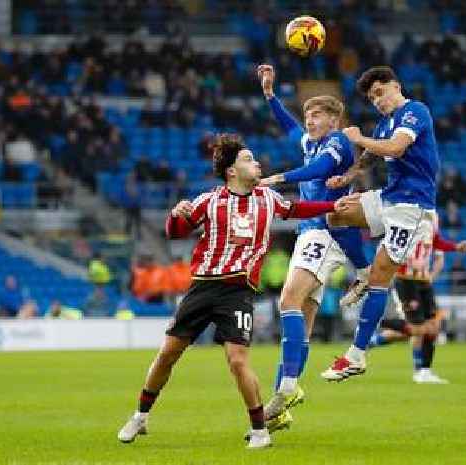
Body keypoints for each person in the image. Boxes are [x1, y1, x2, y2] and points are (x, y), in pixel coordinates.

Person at [117, 133, 341, 449]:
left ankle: (260, 431)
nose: (257, 163)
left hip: (237, 292)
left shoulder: (268, 198)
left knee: (238, 361)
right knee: (168, 354)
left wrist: (334, 204)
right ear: (232, 171)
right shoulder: (208, 201)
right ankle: (140, 416)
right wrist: (176, 215)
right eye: (249, 159)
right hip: (203, 287)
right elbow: (175, 232)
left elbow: (299, 209)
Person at [253, 64, 371, 432]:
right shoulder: (310, 140)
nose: (309, 120)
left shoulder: (337, 144)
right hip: (313, 235)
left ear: (334, 120)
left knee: (287, 300)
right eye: (308, 114)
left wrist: (280, 177)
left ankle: (286, 389)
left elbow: (319, 170)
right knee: (300, 325)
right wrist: (270, 96)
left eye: (316, 114)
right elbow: (289, 129)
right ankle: (281, 406)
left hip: (322, 232)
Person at [315, 66, 442, 382]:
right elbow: (371, 158)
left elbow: (396, 147)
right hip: (389, 198)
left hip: (412, 206)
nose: (377, 100)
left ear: (396, 86)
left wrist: (358, 137)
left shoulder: (415, 111)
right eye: (372, 97)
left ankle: (356, 356)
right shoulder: (386, 124)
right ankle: (360, 272)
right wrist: (346, 177)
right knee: (335, 213)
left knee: (381, 276)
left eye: (380, 92)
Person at [369, 234, 466, 384]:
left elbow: (438, 256)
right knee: (418, 329)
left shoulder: (431, 224)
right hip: (405, 282)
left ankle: (372, 338)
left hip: (423, 283)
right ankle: (420, 371)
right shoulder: (404, 226)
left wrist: (431, 276)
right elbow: (385, 254)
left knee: (428, 327)